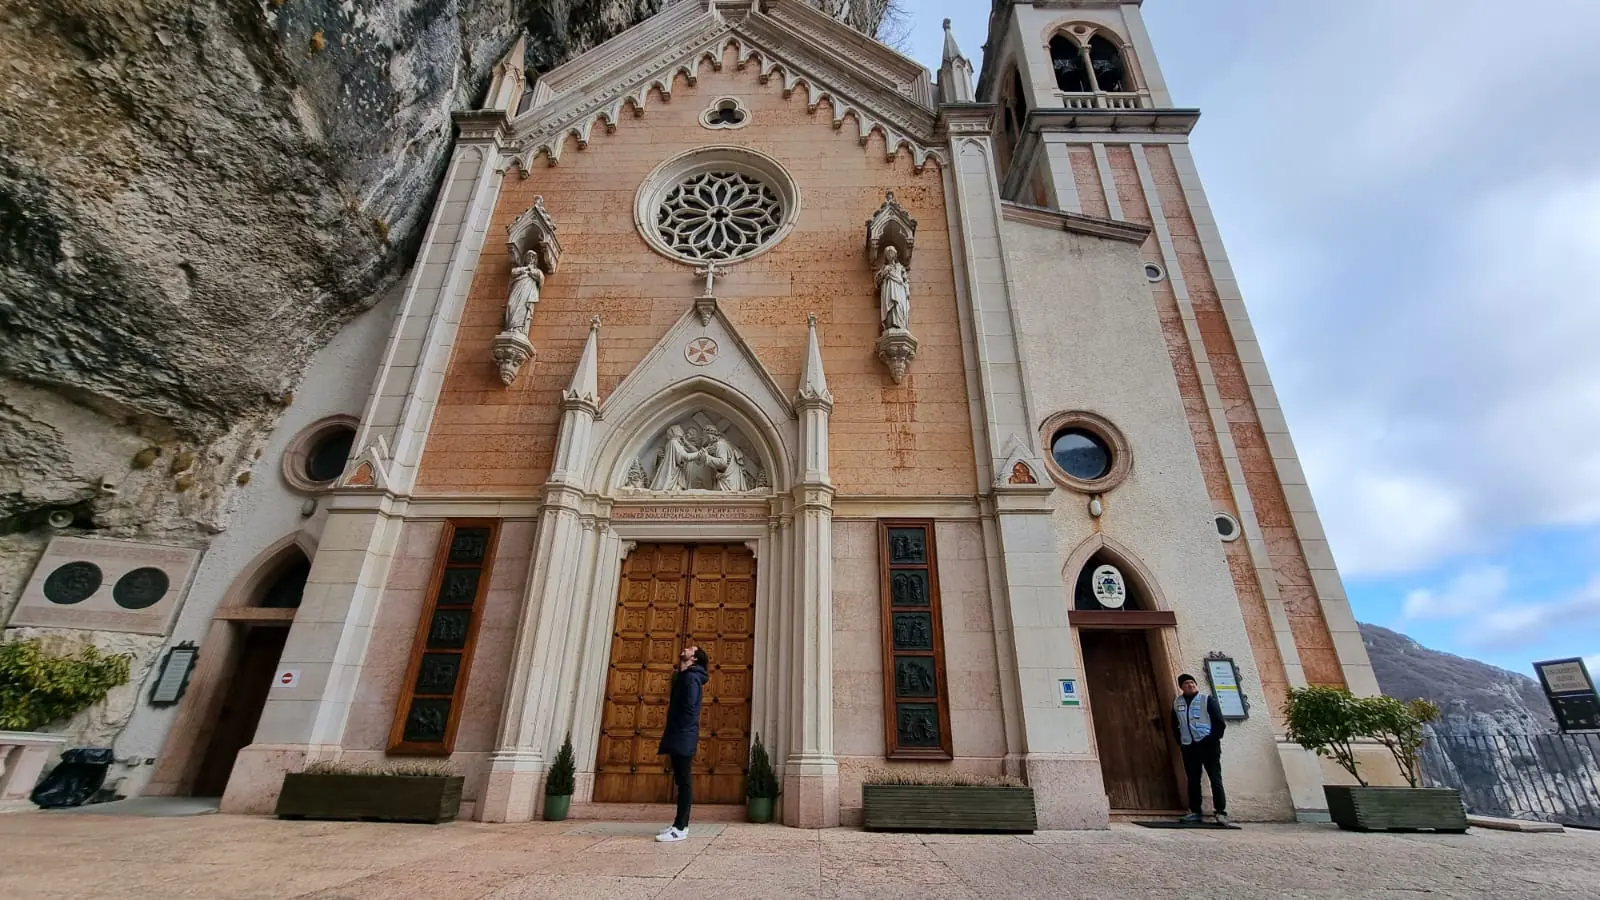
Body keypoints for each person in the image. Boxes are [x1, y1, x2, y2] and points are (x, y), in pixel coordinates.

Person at [656, 645, 709, 842]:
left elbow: (690, 707)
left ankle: (681, 827)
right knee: (681, 780)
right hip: (680, 733)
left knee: (684, 782)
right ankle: (678, 823)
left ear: (694, 659)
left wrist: (681, 727)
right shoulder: (685, 677)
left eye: (690, 649)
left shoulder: (691, 678)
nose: (685, 648)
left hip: (683, 734)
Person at [1172, 672, 1229, 825]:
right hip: (1189, 746)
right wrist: (1180, 742)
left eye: (1192, 683)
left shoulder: (1207, 699)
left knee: (1215, 777)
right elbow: (1174, 724)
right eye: (1186, 684)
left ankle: (1221, 812)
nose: (1190, 685)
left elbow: (1219, 723)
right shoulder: (1177, 703)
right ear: (1181, 687)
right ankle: (1196, 811)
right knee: (1193, 779)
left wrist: (1212, 739)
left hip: (1208, 745)